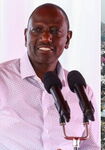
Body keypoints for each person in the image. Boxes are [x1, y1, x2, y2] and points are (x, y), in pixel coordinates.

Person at [0, 3, 99, 150]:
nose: (46, 38)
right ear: (25, 35)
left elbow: (90, 146)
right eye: (37, 30)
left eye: (55, 31)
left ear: (68, 39)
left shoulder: (81, 92)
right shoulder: (3, 79)